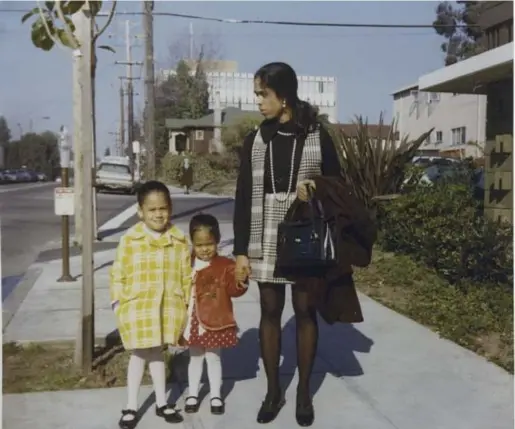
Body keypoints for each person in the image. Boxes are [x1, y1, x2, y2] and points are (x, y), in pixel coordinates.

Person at [232, 62, 342, 427]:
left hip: (304, 231)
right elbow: (243, 195)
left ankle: (304, 391)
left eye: (264, 94)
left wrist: (313, 187)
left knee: (305, 311)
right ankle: (273, 390)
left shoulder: (315, 134)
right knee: (269, 311)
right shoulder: (256, 139)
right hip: (264, 231)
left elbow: (337, 184)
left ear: (285, 95)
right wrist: (240, 252)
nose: (259, 101)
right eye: (258, 94)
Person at [110, 180, 192, 429]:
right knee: (138, 354)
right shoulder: (130, 240)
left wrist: (187, 306)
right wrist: (117, 303)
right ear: (141, 211)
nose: (158, 214)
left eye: (163, 208)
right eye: (152, 209)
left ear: (170, 208)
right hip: (138, 307)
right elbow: (118, 273)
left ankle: (161, 402)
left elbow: (186, 276)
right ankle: (131, 405)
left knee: (157, 353)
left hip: (167, 308)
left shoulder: (179, 241)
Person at [180, 213, 248, 415]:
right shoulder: (186, 263)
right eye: (199, 245)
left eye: (209, 243)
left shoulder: (225, 266)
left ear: (217, 240)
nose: (204, 249)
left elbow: (234, 290)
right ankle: (193, 393)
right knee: (195, 357)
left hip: (215, 320)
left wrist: (240, 280)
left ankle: (216, 395)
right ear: (192, 243)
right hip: (192, 319)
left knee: (213, 357)